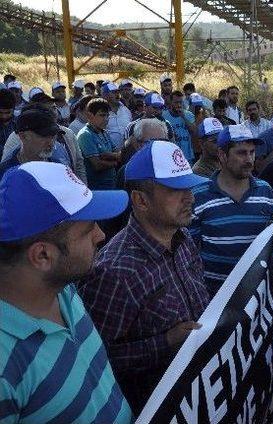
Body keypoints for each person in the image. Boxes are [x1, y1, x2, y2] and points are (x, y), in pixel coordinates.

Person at [79, 140, 209, 414]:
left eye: (189, 187)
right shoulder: (115, 271)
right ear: (140, 200)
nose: (191, 197)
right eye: (176, 190)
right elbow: (96, 362)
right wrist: (165, 342)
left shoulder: (183, 238)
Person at [0, 161, 132, 423]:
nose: (101, 235)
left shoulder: (64, 289)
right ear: (43, 255)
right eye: (87, 229)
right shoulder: (5, 367)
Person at [190, 124, 273, 296]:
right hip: (215, 299)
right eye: (241, 153)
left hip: (258, 294)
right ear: (222, 155)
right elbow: (189, 252)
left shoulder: (266, 191)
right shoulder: (198, 196)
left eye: (252, 152)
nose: (249, 159)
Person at [0, 106, 60, 180]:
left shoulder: (59, 168)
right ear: (23, 136)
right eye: (44, 136)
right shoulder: (5, 174)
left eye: (53, 135)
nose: (51, 142)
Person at [77, 98, 120, 189]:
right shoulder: (85, 135)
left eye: (107, 116)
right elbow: (97, 165)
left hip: (111, 184)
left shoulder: (104, 132)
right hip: (96, 188)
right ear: (90, 115)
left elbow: (119, 153)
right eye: (102, 115)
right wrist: (115, 162)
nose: (106, 119)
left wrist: (106, 155)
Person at [162, 90, 197, 164]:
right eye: (176, 102)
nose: (179, 105)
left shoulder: (189, 115)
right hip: (171, 155)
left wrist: (183, 117)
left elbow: (195, 131)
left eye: (180, 102)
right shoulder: (164, 115)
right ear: (171, 102)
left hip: (187, 156)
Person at [101, 82, 132, 150]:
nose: (117, 95)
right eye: (114, 92)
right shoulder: (100, 113)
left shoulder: (126, 110)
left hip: (126, 152)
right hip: (109, 154)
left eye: (118, 92)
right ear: (105, 95)